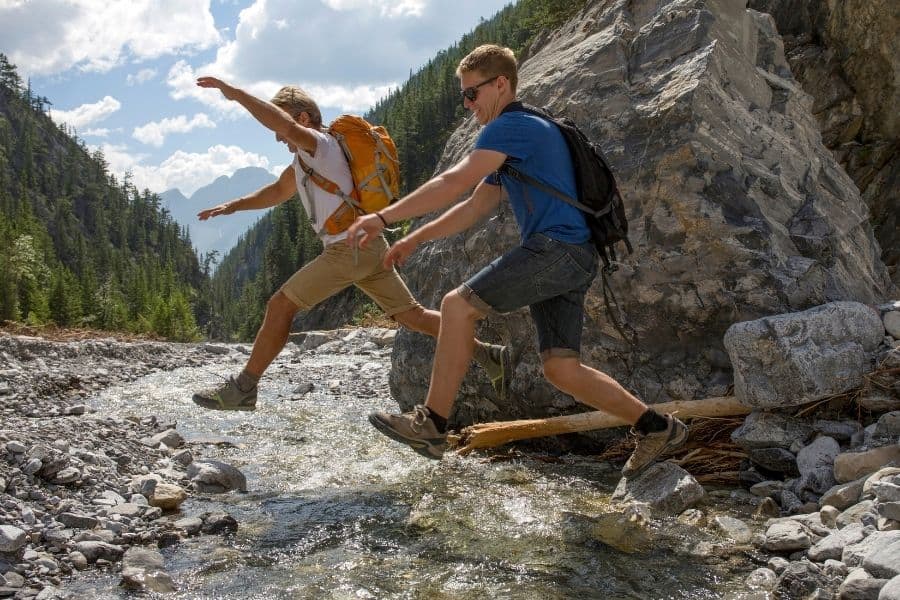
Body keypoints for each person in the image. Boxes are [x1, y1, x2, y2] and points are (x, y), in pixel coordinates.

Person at [346, 44, 688, 477]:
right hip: (575, 257)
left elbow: (454, 180)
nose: (468, 105)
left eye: (472, 94)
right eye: (463, 96)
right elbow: (475, 205)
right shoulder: (527, 131)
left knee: (457, 305)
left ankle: (430, 425)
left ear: (501, 84)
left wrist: (382, 216)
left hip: (556, 250)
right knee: (562, 369)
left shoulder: (510, 126)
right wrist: (416, 237)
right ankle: (658, 427)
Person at [190, 76, 509, 411]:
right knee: (413, 316)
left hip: (348, 249)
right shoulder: (305, 160)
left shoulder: (319, 145)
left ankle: (244, 387)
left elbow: (281, 125)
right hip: (368, 247)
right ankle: (487, 354)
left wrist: (236, 94)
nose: (278, 137)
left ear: (302, 118)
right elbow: (276, 192)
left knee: (280, 306)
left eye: (283, 126)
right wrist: (234, 205)